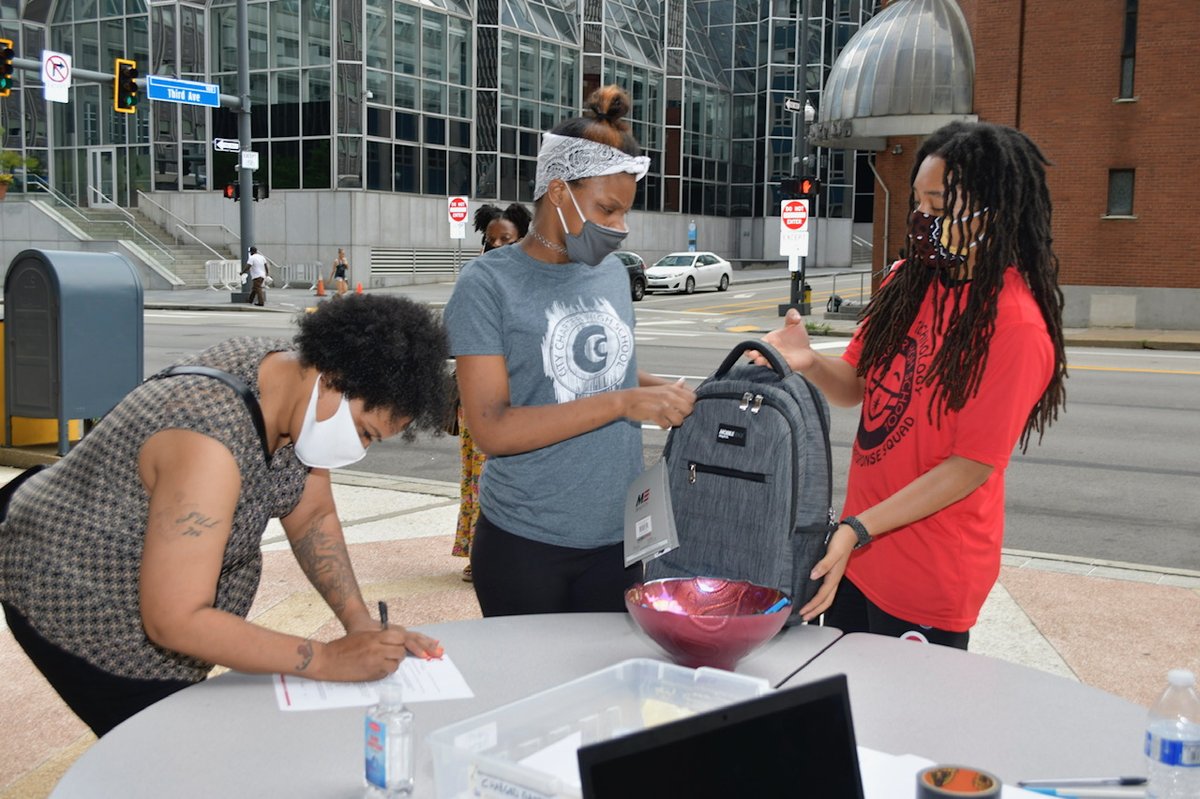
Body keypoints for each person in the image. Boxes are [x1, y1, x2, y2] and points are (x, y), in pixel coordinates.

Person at [0, 294, 452, 736]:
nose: (360, 449)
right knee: (158, 752)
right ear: (334, 377)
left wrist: (361, 625)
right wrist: (328, 659)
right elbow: (176, 620)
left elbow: (311, 514)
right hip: (73, 587)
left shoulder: (289, 385)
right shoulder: (207, 443)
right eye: (363, 432)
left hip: (151, 590)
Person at [756, 121, 1067, 649]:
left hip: (928, 571)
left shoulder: (1014, 324)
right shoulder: (907, 279)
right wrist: (807, 360)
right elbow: (855, 385)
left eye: (939, 206)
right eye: (918, 203)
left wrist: (859, 527)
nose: (923, 219)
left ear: (994, 211)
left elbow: (970, 467)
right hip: (857, 554)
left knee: (904, 727)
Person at [443, 85, 696, 617]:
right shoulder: (487, 285)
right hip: (526, 542)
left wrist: (667, 391)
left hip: (619, 538)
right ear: (558, 191)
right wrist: (625, 404)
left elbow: (606, 372)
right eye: (607, 208)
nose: (619, 227)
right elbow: (493, 429)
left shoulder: (607, 273)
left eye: (625, 212)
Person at [453, 201, 532, 582]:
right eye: (492, 240)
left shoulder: (532, 282)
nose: (498, 245)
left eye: (508, 239)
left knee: (512, 479)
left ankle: (509, 554)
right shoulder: (475, 278)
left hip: (521, 399)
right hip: (478, 402)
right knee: (478, 478)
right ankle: (478, 555)